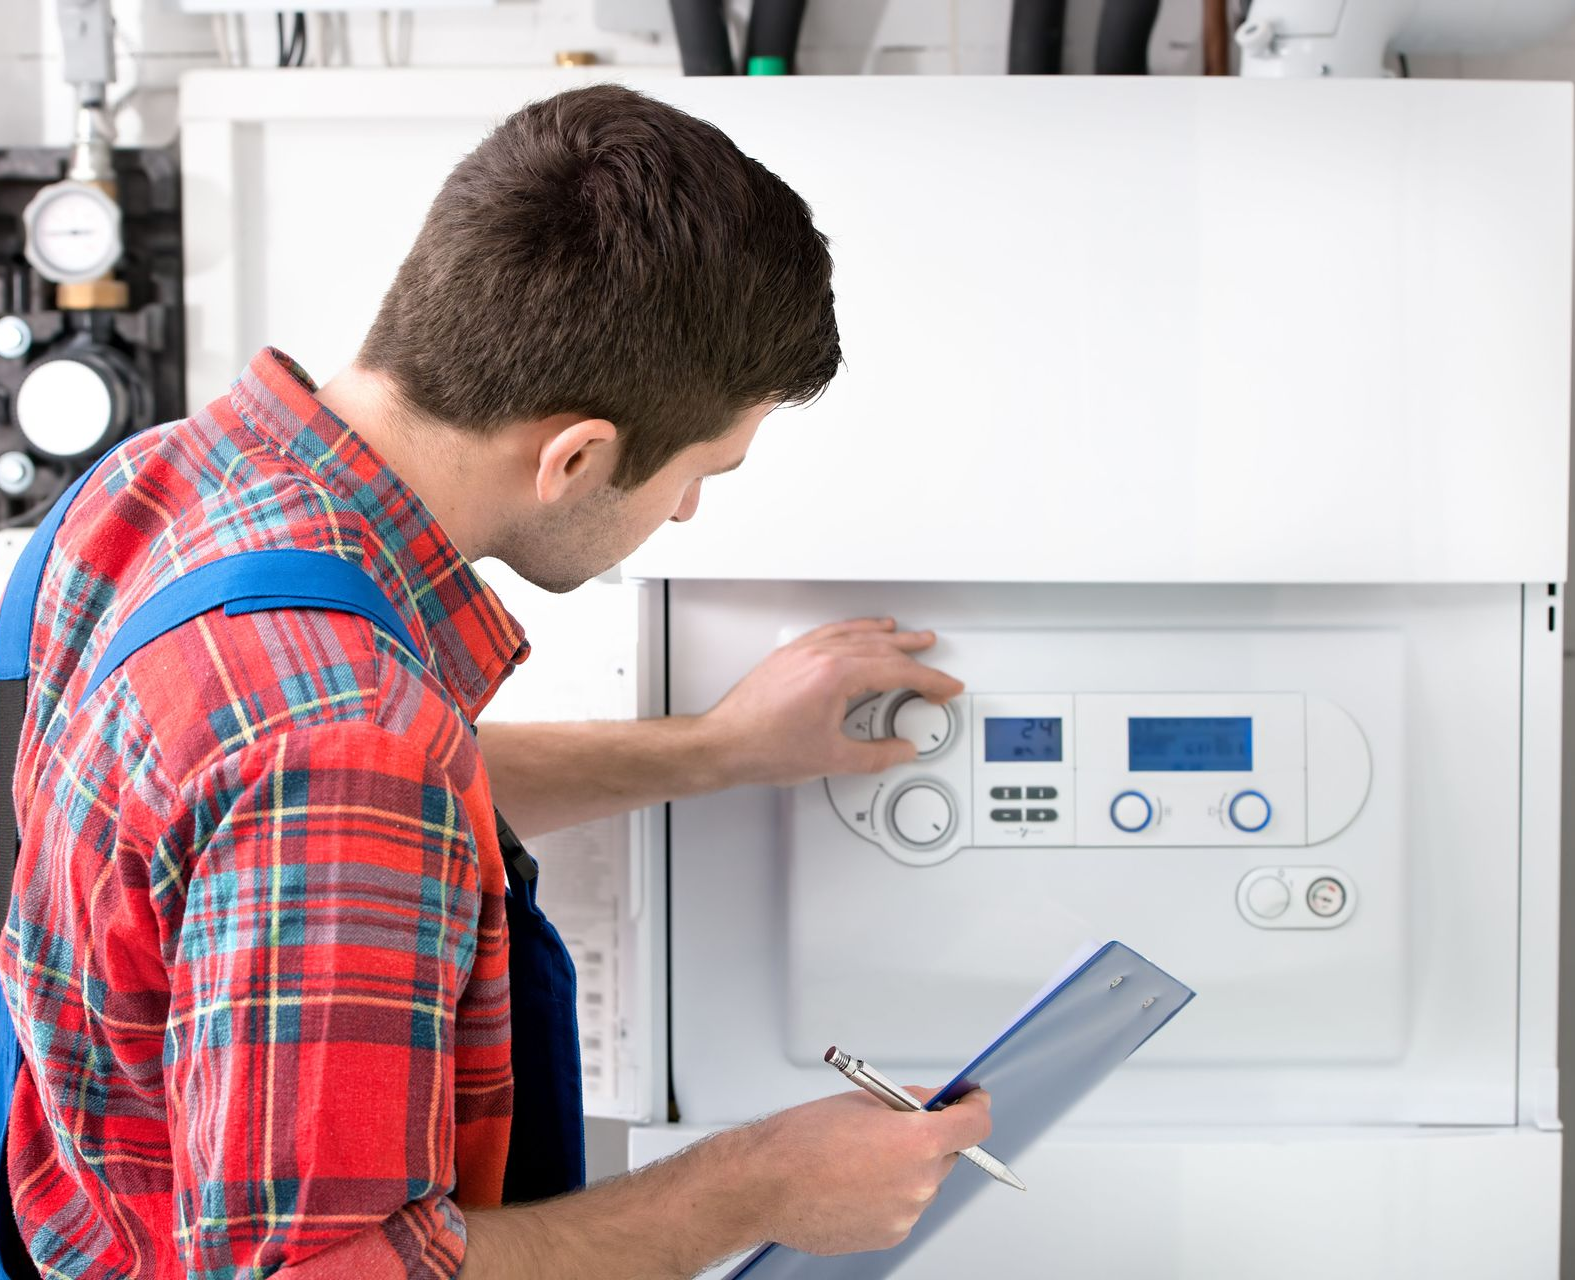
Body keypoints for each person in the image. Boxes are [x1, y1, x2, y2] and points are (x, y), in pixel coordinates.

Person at [0, 83, 987, 1279]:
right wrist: (754, 1186)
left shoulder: (164, 483)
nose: (683, 509)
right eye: (698, 473)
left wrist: (722, 747)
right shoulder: (348, 739)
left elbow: (257, 805)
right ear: (576, 458)